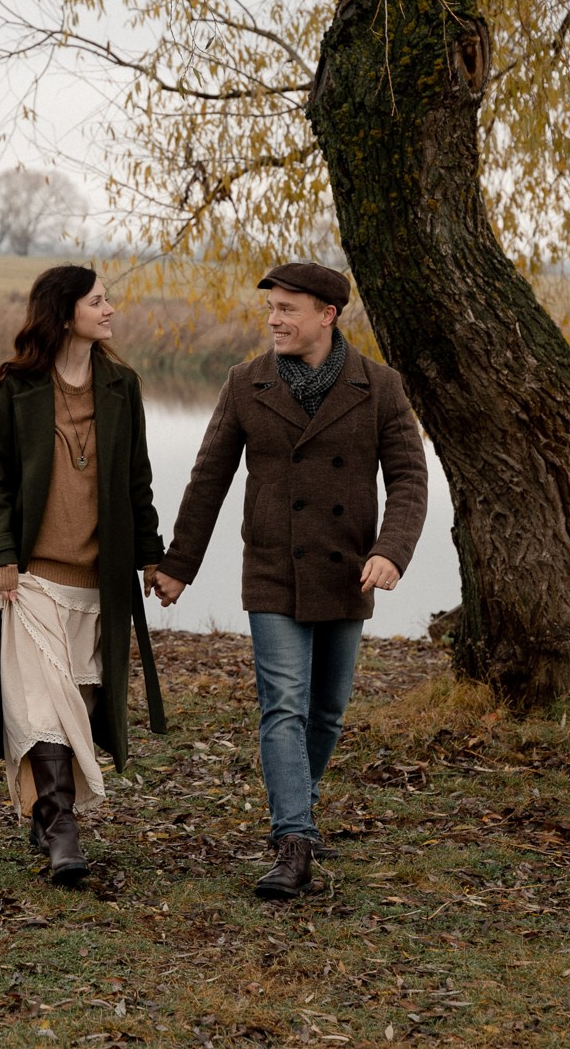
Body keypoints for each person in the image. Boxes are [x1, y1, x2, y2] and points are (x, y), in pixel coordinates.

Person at [152, 260, 427, 899]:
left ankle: (297, 808)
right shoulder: (246, 383)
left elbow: (410, 478)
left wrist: (392, 550)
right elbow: (209, 477)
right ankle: (294, 839)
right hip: (273, 568)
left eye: (288, 310)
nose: (274, 320)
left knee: (325, 714)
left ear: (327, 315)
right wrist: (178, 566)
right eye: (270, 308)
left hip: (349, 571)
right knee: (283, 704)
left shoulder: (379, 386)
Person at [0, 265, 166, 886]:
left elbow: (138, 480)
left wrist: (151, 556)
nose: (109, 310)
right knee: (43, 709)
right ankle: (62, 833)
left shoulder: (121, 386)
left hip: (97, 583)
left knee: (77, 704)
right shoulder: (19, 389)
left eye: (106, 301)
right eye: (98, 301)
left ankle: (45, 814)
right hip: (31, 583)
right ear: (64, 315)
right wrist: (0, 554)